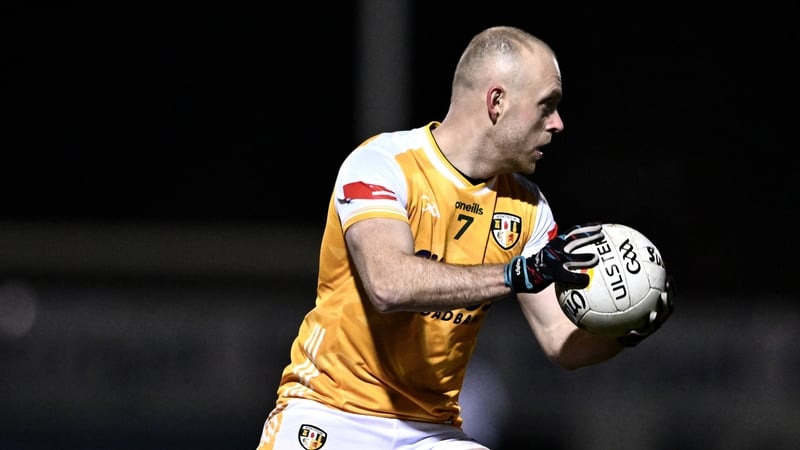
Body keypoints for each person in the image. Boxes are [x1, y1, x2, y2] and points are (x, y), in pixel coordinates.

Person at [255, 25, 673, 450]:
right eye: (546, 106)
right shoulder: (382, 164)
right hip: (330, 411)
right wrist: (514, 274)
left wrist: (626, 328)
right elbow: (388, 284)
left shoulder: (528, 208)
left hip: (430, 431)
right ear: (497, 102)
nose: (558, 124)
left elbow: (561, 342)